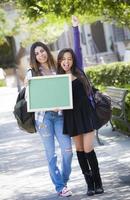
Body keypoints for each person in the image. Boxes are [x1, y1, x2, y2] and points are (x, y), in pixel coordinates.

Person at [26, 42, 73, 197]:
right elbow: (30, 98)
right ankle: (60, 187)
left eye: (42, 51)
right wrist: (28, 86)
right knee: (51, 154)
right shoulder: (32, 73)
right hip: (44, 118)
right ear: (34, 57)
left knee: (67, 152)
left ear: (47, 51)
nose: (41, 55)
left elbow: (64, 90)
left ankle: (63, 182)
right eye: (37, 53)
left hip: (60, 116)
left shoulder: (57, 69)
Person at [57, 48, 104, 196]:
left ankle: (98, 182)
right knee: (80, 150)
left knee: (88, 148)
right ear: (59, 61)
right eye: (63, 59)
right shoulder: (58, 78)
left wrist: (76, 28)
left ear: (73, 60)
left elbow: (77, 45)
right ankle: (89, 185)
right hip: (71, 117)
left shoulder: (79, 72)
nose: (66, 62)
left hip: (86, 115)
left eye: (69, 58)